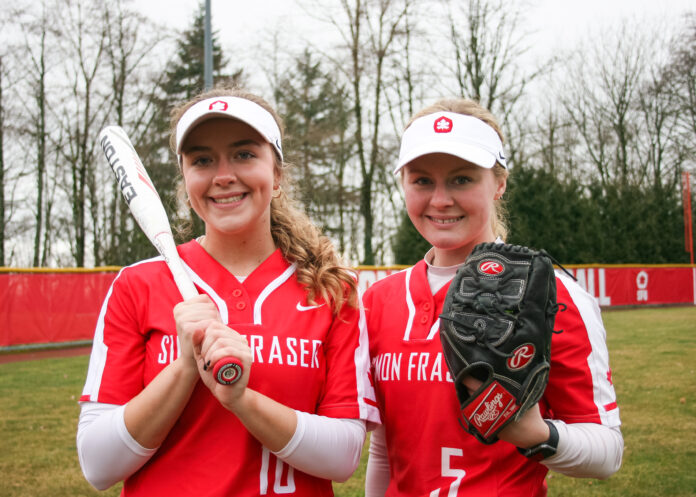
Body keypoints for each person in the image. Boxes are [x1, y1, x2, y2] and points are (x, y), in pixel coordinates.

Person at [77, 87, 380, 496]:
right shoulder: (137, 285)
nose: (223, 175)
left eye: (243, 154)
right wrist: (185, 368)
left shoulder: (330, 288)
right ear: (185, 180)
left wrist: (241, 399)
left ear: (276, 174)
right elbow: (98, 465)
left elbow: (342, 458)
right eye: (202, 159)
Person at [363, 98, 623, 496]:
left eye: (462, 179)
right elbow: (385, 450)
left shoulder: (551, 295)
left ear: (499, 183)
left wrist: (535, 433)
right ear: (403, 185)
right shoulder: (378, 300)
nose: (440, 199)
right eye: (421, 180)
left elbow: (607, 452)